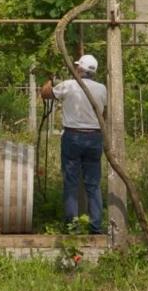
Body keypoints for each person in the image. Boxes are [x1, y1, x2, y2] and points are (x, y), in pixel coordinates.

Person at [40, 54, 107, 234]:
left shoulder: (69, 85)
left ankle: (72, 227)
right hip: (94, 137)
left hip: (73, 137)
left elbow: (46, 93)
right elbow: (104, 114)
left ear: (79, 69)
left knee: (71, 182)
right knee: (93, 183)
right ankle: (96, 226)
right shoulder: (102, 89)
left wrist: (48, 78)